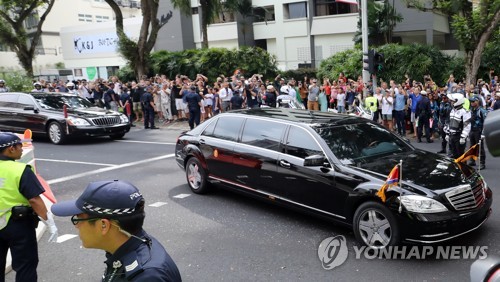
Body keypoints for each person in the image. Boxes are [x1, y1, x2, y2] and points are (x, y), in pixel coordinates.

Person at [51, 180, 181, 282]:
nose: (77, 226)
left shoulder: (147, 276)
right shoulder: (131, 246)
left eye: (78, 219)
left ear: (103, 225)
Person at [0, 132, 58, 282]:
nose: (22, 149)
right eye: (20, 145)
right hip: (18, 225)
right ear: (11, 149)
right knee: (25, 266)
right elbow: (34, 200)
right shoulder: (20, 170)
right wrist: (49, 222)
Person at [446, 94, 471, 159]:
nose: (451, 102)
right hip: (452, 135)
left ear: (458, 101)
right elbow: (450, 122)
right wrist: (447, 133)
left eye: (453, 101)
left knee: (461, 156)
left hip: (459, 136)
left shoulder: (464, 112)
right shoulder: (452, 110)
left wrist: (463, 136)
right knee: (454, 155)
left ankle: (463, 168)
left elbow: (467, 125)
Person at [467, 96, 488, 169]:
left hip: (479, 131)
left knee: (480, 147)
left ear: (477, 101)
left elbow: (486, 122)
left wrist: (483, 133)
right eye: (471, 101)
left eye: (473, 101)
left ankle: (482, 163)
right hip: (472, 130)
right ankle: (472, 160)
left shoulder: (482, 111)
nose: (472, 103)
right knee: (472, 146)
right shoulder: (472, 109)